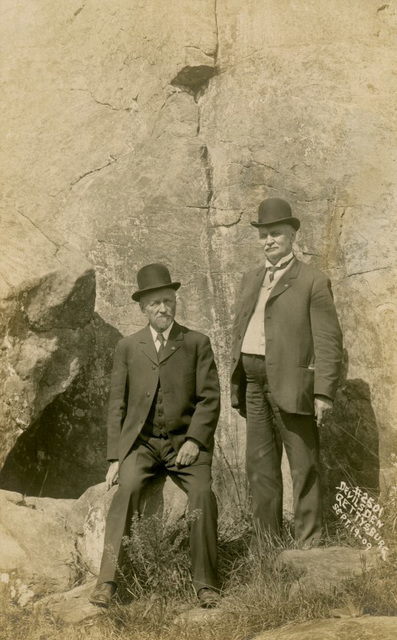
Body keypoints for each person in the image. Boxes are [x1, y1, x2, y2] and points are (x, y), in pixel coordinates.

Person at [90, 263, 221, 608]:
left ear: (175, 300)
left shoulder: (196, 343)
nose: (163, 308)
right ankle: (107, 581)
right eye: (154, 304)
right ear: (142, 309)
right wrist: (115, 457)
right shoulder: (128, 347)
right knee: (126, 491)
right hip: (144, 445)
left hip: (184, 446)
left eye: (167, 300)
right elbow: (116, 405)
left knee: (203, 495)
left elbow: (210, 399)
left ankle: (206, 584)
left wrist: (195, 441)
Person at [230, 197, 343, 548]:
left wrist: (323, 392)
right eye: (263, 235)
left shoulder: (312, 280)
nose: (269, 241)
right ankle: (267, 545)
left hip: (294, 385)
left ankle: (309, 541)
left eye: (276, 233)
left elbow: (328, 340)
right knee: (260, 467)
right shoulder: (251, 279)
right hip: (252, 382)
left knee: (303, 464)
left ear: (292, 235)